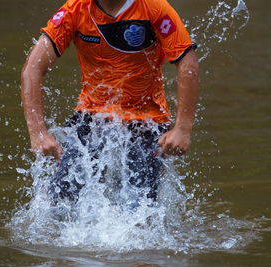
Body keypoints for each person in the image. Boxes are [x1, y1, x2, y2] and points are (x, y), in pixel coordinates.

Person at [21, 0, 199, 205]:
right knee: (59, 201)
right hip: (90, 116)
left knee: (140, 210)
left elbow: (188, 63)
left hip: (146, 120)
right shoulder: (75, 9)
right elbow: (32, 69)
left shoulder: (153, 7)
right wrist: (38, 133)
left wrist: (182, 129)